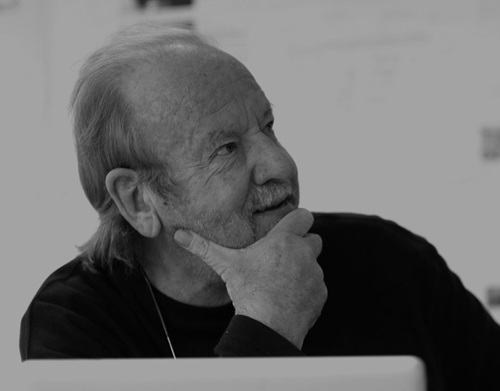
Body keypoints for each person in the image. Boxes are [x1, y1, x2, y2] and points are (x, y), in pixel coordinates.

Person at [20, 23, 500, 390]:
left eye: (267, 126)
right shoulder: (74, 325)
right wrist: (268, 326)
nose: (280, 163)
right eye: (226, 148)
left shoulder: (391, 261)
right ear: (138, 199)